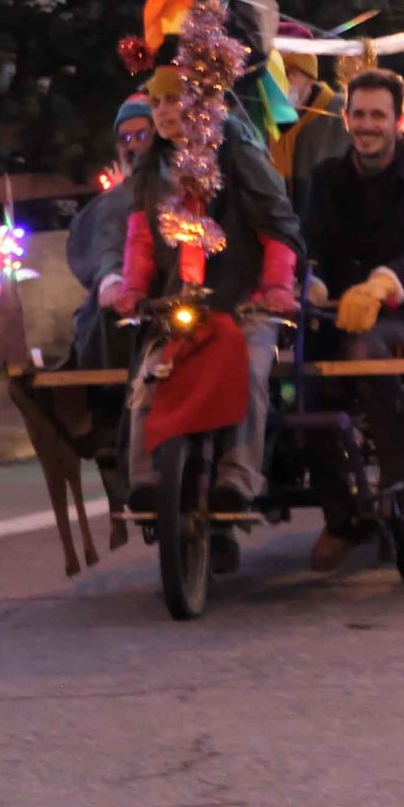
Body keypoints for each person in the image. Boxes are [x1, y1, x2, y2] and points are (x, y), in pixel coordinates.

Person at [113, 71, 305, 512]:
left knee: (252, 370)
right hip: (176, 302)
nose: (163, 112)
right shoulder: (149, 169)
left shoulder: (238, 153)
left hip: (245, 300)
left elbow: (277, 226)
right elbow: (140, 239)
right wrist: (132, 289)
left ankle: (239, 477)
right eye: (156, 102)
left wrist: (276, 287)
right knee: (148, 376)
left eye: (173, 100)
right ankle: (144, 480)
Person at [297, 69, 404, 570]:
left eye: (378, 116)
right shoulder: (325, 177)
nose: (367, 125)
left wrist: (384, 282)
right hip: (335, 311)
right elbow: (311, 243)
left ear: (400, 121)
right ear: (345, 119)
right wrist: (312, 283)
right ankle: (342, 519)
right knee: (297, 389)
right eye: (358, 114)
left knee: (366, 353)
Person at [69, 95, 153, 369]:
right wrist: (112, 279)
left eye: (142, 135)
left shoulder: (189, 185)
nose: (134, 146)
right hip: (131, 311)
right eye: (125, 140)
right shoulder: (117, 199)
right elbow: (109, 239)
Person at [269, 21, 350, 202]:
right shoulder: (247, 120)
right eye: (273, 71)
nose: (280, 81)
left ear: (310, 79)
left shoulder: (345, 116)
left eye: (290, 73)